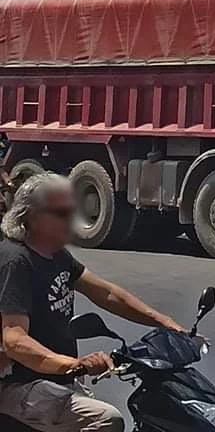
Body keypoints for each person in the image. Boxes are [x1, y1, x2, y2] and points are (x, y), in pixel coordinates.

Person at [0, 172, 185, 432]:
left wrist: (166, 323)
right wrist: (73, 364)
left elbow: (106, 293)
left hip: (56, 380)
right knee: (107, 420)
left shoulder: (54, 254)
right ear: (33, 217)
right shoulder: (16, 261)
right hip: (20, 385)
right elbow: (14, 340)